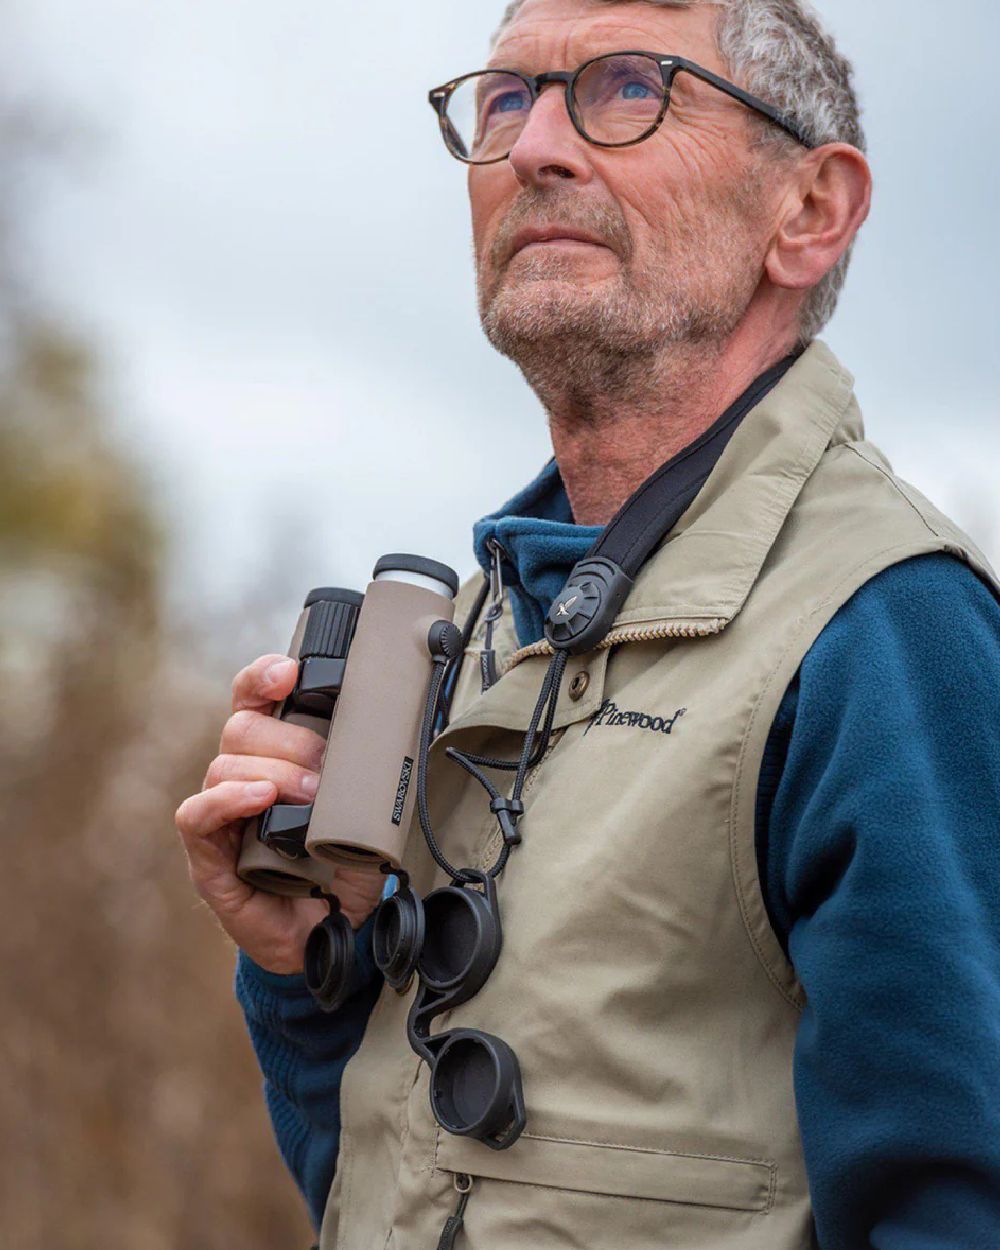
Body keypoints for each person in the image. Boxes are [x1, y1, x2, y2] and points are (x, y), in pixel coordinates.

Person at [175, 1, 1000, 1246]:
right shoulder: (468, 635)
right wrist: (305, 969)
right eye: (504, 100)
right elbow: (377, 1189)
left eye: (627, 87)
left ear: (811, 210)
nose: (534, 147)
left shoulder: (886, 631)